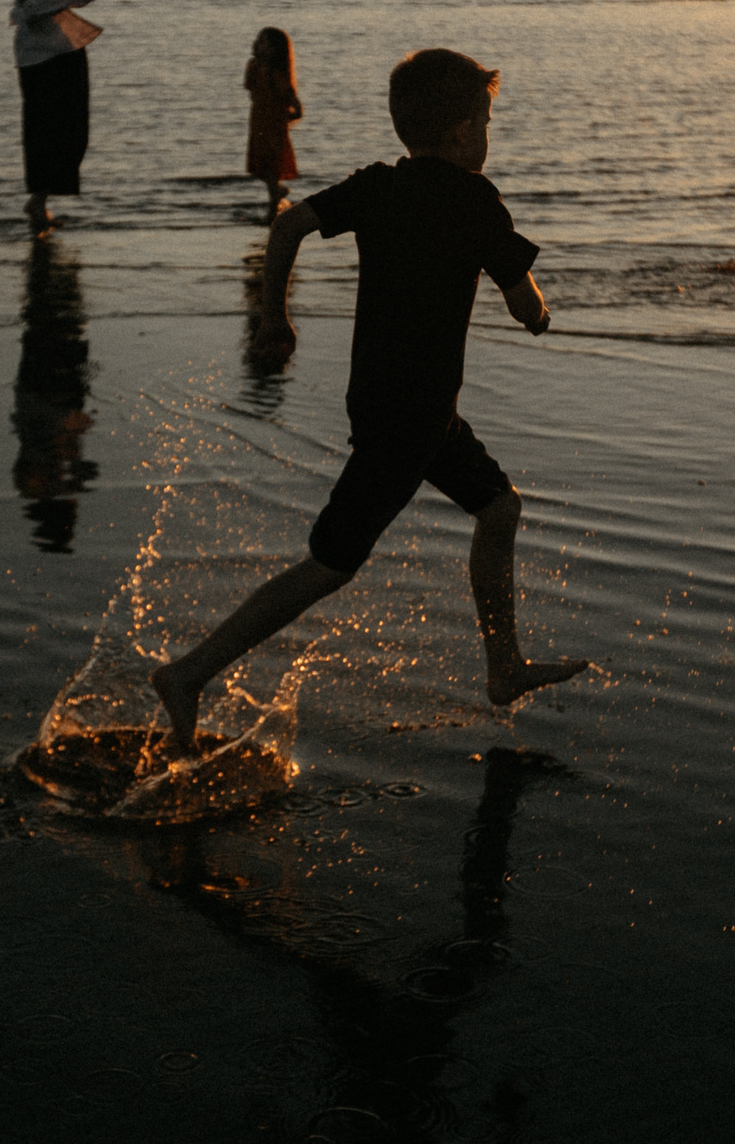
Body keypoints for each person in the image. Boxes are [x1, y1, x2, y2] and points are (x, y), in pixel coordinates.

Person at [152, 48, 588, 755]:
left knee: (499, 506)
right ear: (457, 132)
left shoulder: (380, 186)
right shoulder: (477, 200)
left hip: (410, 409)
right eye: (484, 121)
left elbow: (288, 224)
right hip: (408, 419)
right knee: (330, 563)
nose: (487, 135)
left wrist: (274, 316)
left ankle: (504, 665)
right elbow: (520, 297)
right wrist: (538, 315)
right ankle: (189, 673)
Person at [9, 0, 104, 234]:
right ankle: (38, 202)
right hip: (50, 55)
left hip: (47, 51)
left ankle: (40, 202)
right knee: (63, 129)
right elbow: (34, 6)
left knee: (49, 129)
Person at [243, 26, 303, 220]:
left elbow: (292, 100)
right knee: (259, 168)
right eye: (258, 41)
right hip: (259, 126)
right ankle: (277, 194)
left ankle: (273, 209)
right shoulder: (254, 67)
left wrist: (293, 116)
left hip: (274, 128)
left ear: (274, 50)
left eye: (263, 42)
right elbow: (249, 87)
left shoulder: (276, 75)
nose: (257, 44)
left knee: (271, 167)